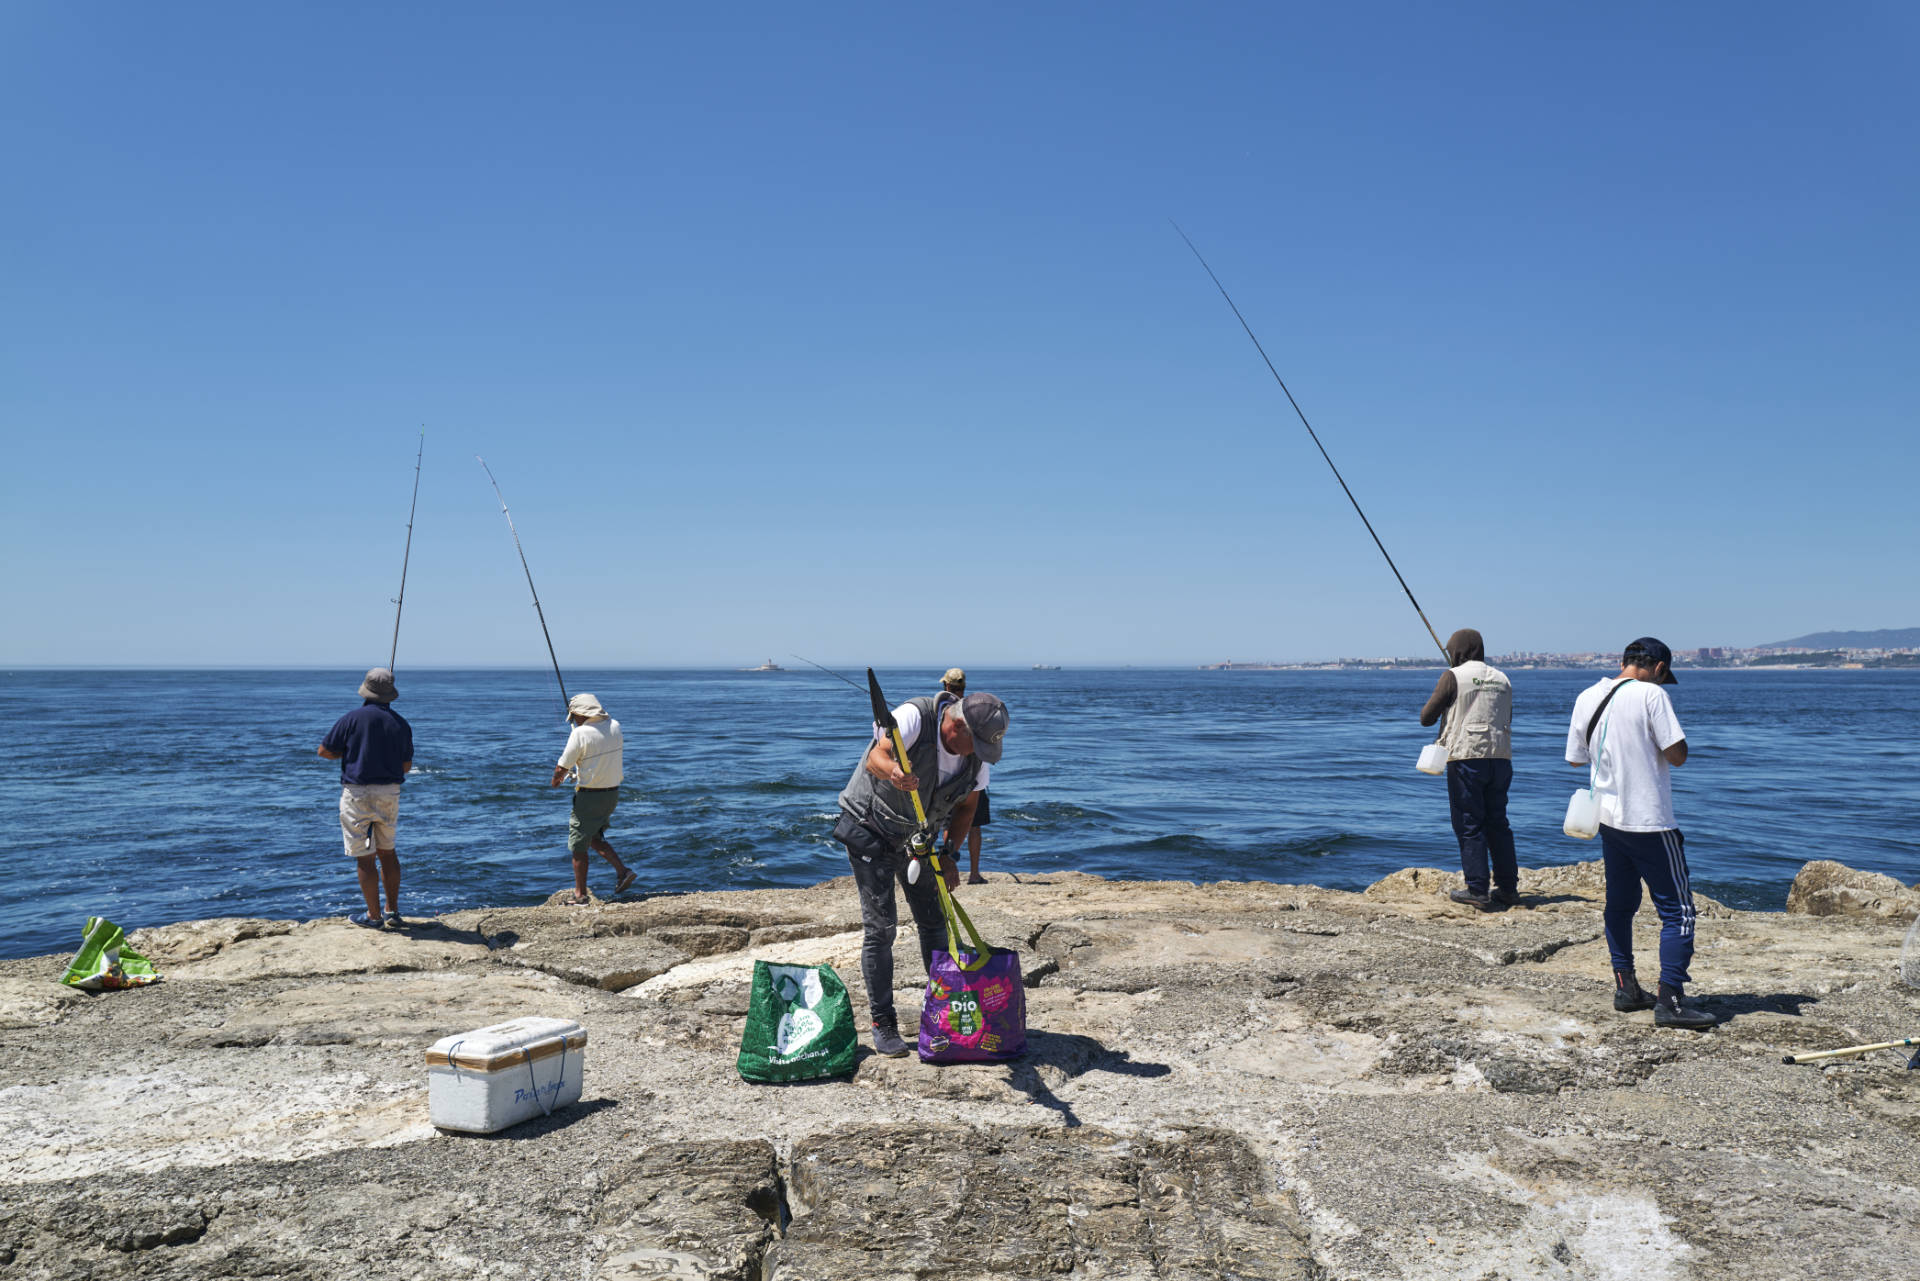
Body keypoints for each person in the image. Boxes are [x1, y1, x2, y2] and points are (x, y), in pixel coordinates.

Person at [834, 685, 1009, 1057]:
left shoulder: (976, 761)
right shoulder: (914, 718)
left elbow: (967, 808)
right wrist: (895, 773)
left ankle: (941, 1009)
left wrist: (951, 854)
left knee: (934, 923)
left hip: (919, 840)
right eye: (977, 745)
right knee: (881, 930)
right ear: (957, 727)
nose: (981, 756)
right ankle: (883, 1021)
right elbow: (874, 759)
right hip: (872, 829)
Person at [1565, 638, 1715, 1030]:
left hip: (1609, 820)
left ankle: (1626, 987)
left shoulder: (1587, 696)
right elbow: (1678, 756)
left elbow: (1574, 758)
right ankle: (1672, 1003)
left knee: (1620, 905)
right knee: (1678, 911)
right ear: (1660, 668)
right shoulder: (1652, 695)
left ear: (1622, 662)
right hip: (1650, 821)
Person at [1419, 629, 1517, 911]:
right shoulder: (1503, 678)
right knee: (1498, 823)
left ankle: (1477, 889)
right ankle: (1508, 888)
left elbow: (1426, 718)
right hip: (1500, 757)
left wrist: (1450, 682)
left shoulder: (1453, 676)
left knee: (1469, 823)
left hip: (1465, 757)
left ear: (1458, 651)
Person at [318, 667, 413, 929]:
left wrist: (350, 754)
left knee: (365, 856)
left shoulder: (351, 718)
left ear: (366, 690)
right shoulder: (401, 723)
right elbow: (405, 766)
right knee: (388, 852)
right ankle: (392, 911)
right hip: (389, 793)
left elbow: (324, 751)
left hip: (358, 792)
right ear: (390, 695)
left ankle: (373, 917)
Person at [550, 693, 635, 905]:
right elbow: (597, 751)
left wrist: (556, 781)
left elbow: (562, 766)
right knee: (593, 837)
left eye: (573, 716)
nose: (573, 719)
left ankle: (580, 895)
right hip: (611, 793)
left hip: (590, 797)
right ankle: (623, 872)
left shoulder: (580, 734)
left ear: (580, 713)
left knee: (578, 845)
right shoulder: (615, 726)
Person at [941, 668, 993, 885]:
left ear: (945, 686)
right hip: (973, 777)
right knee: (974, 823)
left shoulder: (943, 708)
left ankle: (946, 865)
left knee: (947, 825)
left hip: (952, 779)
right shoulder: (972, 708)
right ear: (964, 687)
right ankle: (974, 873)